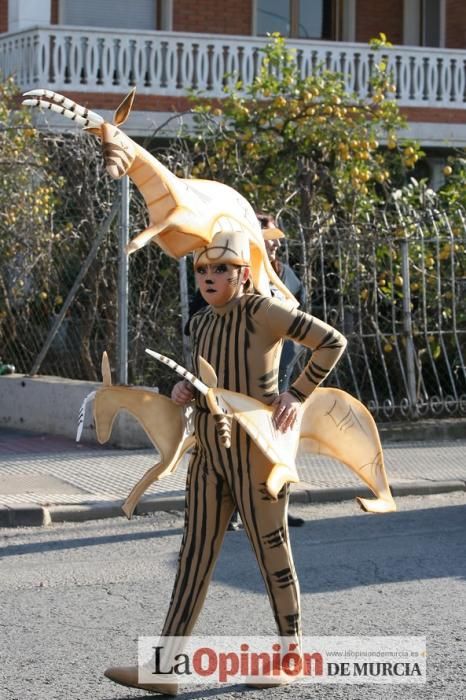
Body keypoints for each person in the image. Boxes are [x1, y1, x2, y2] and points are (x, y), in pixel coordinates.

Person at [105, 229, 347, 694]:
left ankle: (290, 656)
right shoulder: (200, 323)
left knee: (271, 552)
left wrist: (297, 394)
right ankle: (165, 668)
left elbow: (332, 341)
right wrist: (185, 389)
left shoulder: (266, 311)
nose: (209, 277)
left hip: (258, 452)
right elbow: (204, 381)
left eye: (220, 269)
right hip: (210, 452)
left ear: (242, 273)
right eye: (202, 270)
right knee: (192, 558)